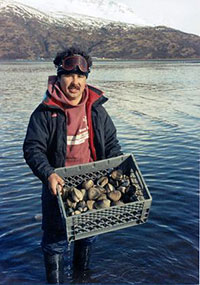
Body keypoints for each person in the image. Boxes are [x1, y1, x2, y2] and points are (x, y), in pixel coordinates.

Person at [23, 46, 122, 284]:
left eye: (80, 76)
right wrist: (47, 174)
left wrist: (117, 167)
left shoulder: (97, 110)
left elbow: (111, 144)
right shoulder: (44, 112)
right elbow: (32, 148)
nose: (75, 81)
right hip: (56, 186)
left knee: (87, 237)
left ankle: (81, 279)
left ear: (86, 78)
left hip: (93, 184)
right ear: (59, 76)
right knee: (55, 243)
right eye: (69, 75)